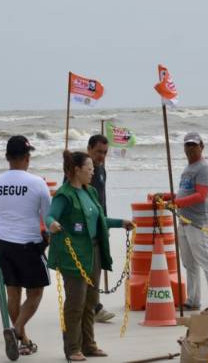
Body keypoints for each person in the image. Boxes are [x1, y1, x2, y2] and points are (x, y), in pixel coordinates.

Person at [46, 150, 135, 361]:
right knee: (75, 303)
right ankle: (72, 348)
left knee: (91, 302)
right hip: (73, 254)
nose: (92, 172)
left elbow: (100, 219)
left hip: (93, 252)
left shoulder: (91, 191)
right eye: (89, 168)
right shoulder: (64, 194)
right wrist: (53, 224)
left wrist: (121, 223)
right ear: (77, 170)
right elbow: (50, 215)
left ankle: (89, 345)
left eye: (93, 169)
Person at [0, 135, 51, 360]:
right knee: (36, 292)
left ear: (7, 158)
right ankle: (17, 329)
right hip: (29, 245)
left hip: (4, 245)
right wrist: (50, 241)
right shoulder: (37, 183)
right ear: (27, 157)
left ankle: (24, 341)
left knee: (13, 292)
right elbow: (49, 219)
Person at [157, 132, 208, 312]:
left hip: (197, 223)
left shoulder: (204, 169)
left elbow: (201, 195)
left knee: (206, 261)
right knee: (189, 263)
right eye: (188, 145)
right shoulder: (188, 169)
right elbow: (184, 193)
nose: (191, 149)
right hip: (183, 222)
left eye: (194, 145)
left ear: (202, 146)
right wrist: (167, 196)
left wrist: (176, 202)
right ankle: (193, 299)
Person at [87, 134, 115, 323]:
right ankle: (94, 307)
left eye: (104, 152)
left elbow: (102, 199)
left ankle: (93, 305)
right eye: (98, 152)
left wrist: (107, 224)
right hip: (87, 228)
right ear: (89, 149)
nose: (101, 156)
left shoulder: (102, 169)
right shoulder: (82, 170)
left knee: (97, 268)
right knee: (89, 269)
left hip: (102, 224)